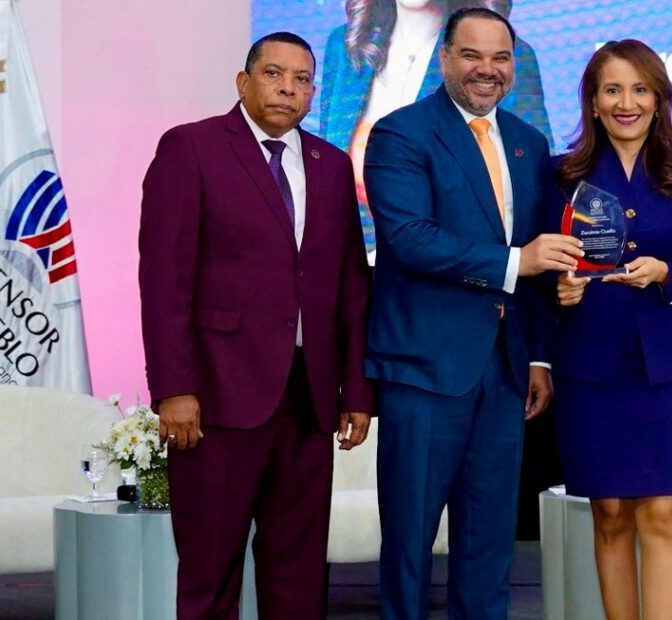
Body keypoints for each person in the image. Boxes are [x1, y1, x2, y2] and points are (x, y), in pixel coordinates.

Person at [138, 32, 374, 620]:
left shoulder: (331, 165)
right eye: (273, 74)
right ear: (243, 82)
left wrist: (356, 390)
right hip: (217, 397)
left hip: (309, 401)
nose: (287, 88)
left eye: (301, 79)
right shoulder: (190, 148)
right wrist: (173, 388)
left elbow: (350, 284)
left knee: (298, 575)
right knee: (210, 573)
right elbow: (164, 280)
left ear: (313, 93)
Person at [362, 8, 582, 620]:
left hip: (505, 371)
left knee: (489, 543)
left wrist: (537, 356)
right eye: (472, 55)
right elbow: (409, 238)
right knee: (409, 542)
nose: (488, 70)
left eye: (501, 57)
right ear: (444, 58)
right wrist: (516, 262)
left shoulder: (528, 142)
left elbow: (538, 254)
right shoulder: (401, 133)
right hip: (424, 369)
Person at [549, 39, 672, 620]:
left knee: (664, 512)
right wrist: (560, 290)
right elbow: (541, 270)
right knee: (610, 514)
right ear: (593, 103)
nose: (627, 103)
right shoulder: (561, 174)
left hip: (666, 365)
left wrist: (666, 273)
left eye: (640, 89)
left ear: (659, 99)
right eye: (613, 90)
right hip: (591, 362)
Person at [320, 0, 552, 256]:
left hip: (462, 269)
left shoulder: (508, 58)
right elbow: (326, 182)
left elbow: (535, 193)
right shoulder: (344, 45)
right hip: (353, 265)